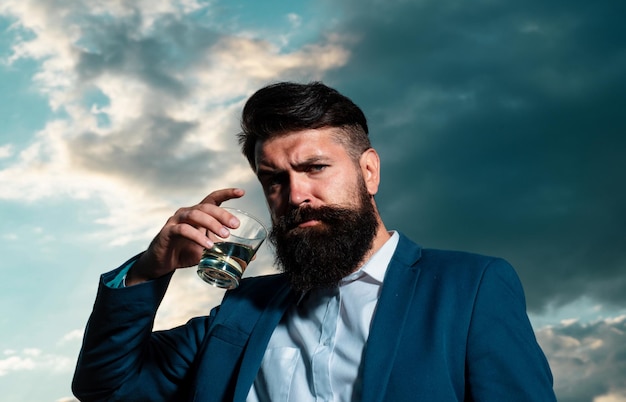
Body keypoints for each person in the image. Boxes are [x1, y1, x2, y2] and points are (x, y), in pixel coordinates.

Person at [72, 82, 556, 402]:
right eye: (274, 179)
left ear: (369, 171)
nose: (296, 194)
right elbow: (106, 387)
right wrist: (146, 272)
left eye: (314, 168)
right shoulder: (240, 310)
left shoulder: (469, 287)